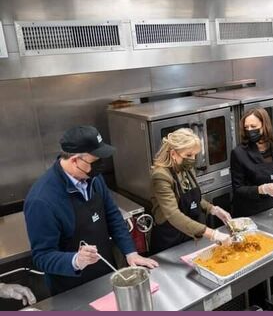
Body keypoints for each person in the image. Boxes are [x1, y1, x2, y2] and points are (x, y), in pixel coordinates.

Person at [24, 126, 158, 295]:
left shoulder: (92, 177)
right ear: (74, 160)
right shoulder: (42, 200)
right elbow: (42, 257)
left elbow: (112, 216)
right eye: (95, 162)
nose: (100, 167)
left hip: (106, 274)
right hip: (73, 288)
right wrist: (76, 260)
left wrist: (130, 252)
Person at [150, 128, 232, 253]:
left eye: (194, 155)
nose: (192, 159)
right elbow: (173, 215)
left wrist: (213, 209)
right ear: (173, 154)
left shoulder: (186, 168)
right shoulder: (161, 176)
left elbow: (194, 199)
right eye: (188, 155)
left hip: (189, 234)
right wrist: (212, 234)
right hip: (170, 238)